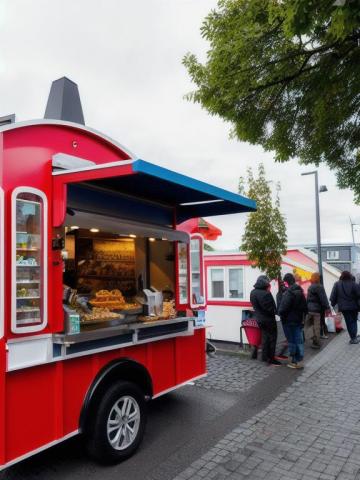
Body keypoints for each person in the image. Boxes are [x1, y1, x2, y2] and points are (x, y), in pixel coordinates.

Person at [250, 275, 281, 366]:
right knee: (272, 339)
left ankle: (264, 357)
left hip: (259, 319)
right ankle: (271, 358)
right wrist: (275, 311)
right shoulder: (266, 293)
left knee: (264, 338)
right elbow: (270, 309)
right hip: (268, 320)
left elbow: (255, 305)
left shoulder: (253, 292)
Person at [278, 273, 308, 369]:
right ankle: (300, 361)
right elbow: (305, 308)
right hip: (298, 320)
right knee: (299, 340)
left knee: (292, 341)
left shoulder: (288, 293)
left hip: (288, 320)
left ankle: (294, 361)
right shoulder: (300, 291)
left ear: (286, 282)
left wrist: (280, 313)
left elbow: (283, 308)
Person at [330, 271, 360, 344]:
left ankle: (353, 338)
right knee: (354, 321)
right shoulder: (354, 284)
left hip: (343, 307)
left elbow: (332, 296)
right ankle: (354, 337)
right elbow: (359, 295)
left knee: (349, 322)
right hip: (354, 307)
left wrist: (333, 304)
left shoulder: (337, 284)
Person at [306, 272, 330, 349]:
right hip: (317, 310)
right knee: (317, 326)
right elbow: (323, 299)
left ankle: (313, 340)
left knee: (310, 326)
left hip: (309, 310)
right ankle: (317, 343)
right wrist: (327, 307)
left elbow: (308, 299)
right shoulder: (319, 287)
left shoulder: (310, 287)